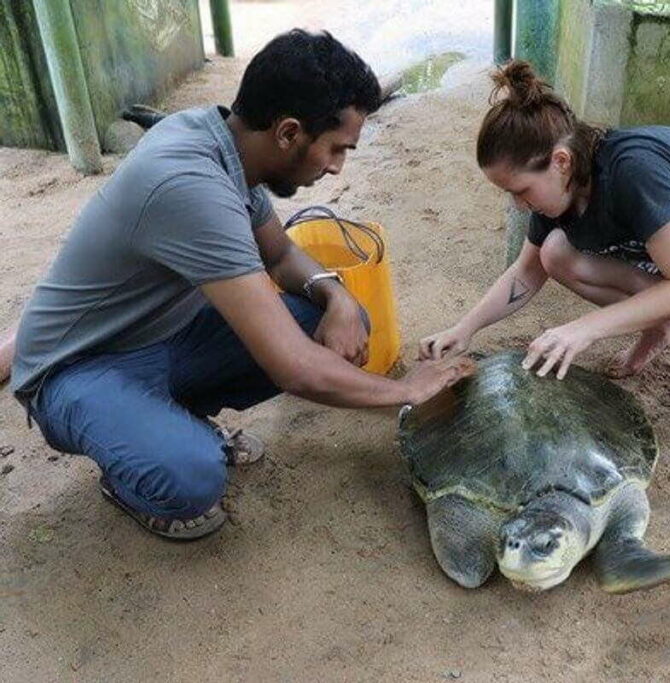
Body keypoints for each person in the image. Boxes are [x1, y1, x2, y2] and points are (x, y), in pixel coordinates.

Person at [7, 30, 473, 540]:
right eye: (337, 149)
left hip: (160, 337)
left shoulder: (226, 146)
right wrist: (405, 391)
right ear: (289, 132)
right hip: (77, 370)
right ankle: (131, 476)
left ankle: (169, 417)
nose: (338, 167)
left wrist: (337, 295)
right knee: (192, 478)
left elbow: (280, 254)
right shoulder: (190, 187)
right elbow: (293, 368)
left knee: (333, 317)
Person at [420, 60, 670, 439]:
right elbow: (527, 271)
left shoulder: (635, 171)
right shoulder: (562, 190)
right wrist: (465, 328)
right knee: (553, 252)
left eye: (520, 190)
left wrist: (583, 329)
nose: (518, 205)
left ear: (560, 161)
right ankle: (663, 327)